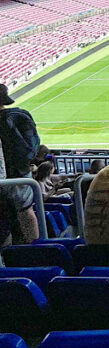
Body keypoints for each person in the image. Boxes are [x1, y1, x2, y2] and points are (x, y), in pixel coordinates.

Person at [0, 83, 41, 244]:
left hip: (13, 178)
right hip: (20, 176)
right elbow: (32, 148)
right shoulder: (20, 116)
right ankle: (33, 250)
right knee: (25, 212)